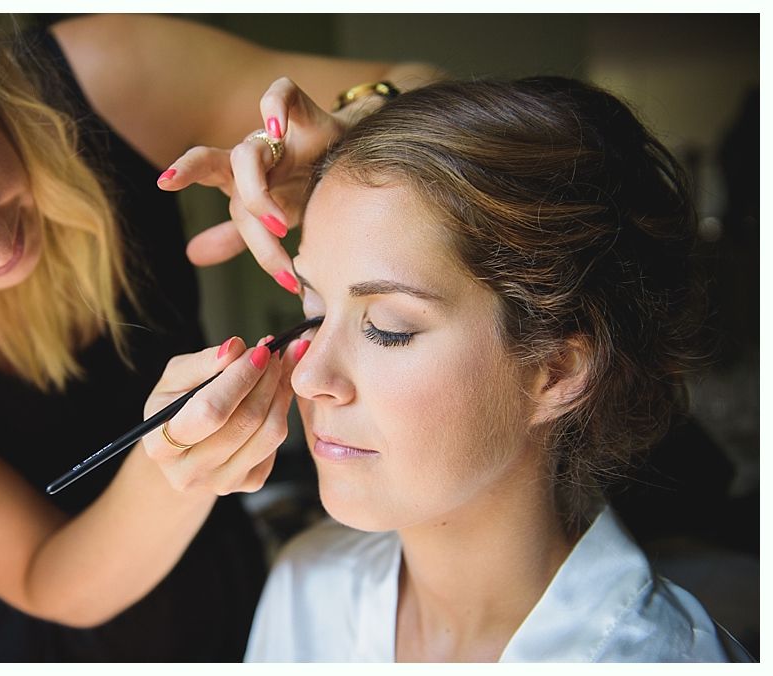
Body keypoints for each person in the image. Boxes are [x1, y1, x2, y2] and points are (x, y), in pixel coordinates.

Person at [0, 13, 440, 661]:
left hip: (228, 608)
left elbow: (426, 83)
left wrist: (349, 146)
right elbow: (47, 576)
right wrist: (175, 469)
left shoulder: (107, 73)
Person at [180, 76, 738, 661]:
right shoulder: (306, 590)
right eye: (313, 312)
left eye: (388, 328)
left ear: (555, 370)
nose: (308, 377)